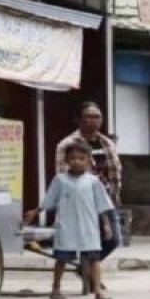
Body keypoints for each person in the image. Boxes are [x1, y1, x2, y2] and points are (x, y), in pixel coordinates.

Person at [26, 141, 115, 299]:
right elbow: (49, 199)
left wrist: (106, 225)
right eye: (73, 158)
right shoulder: (60, 180)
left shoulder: (93, 181)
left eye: (81, 158)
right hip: (66, 225)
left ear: (88, 161)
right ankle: (56, 288)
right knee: (62, 258)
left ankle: (97, 291)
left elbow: (102, 204)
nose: (77, 161)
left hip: (89, 226)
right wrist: (36, 211)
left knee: (94, 258)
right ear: (66, 160)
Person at [55, 102, 122, 262]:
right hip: (83, 201)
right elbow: (63, 175)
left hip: (106, 200)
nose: (93, 121)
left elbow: (116, 171)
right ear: (79, 120)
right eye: (88, 117)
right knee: (89, 242)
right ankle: (91, 276)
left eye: (97, 117)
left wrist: (116, 194)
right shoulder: (68, 144)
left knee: (113, 240)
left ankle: (88, 271)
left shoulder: (107, 143)